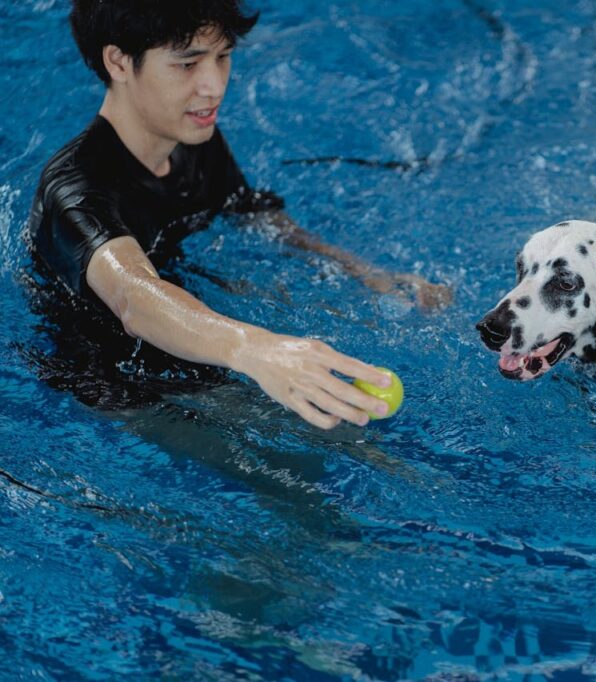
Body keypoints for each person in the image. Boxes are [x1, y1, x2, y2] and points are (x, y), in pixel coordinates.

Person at [25, 0, 449, 429]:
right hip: (120, 384)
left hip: (197, 327)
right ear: (118, 62)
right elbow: (134, 297)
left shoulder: (192, 137)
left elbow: (252, 214)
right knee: (321, 465)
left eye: (223, 57)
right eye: (187, 64)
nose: (214, 85)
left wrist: (363, 272)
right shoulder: (74, 191)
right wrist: (256, 349)